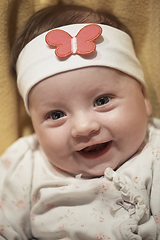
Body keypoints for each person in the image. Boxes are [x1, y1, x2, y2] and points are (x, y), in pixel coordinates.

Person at [0, 4, 160, 240]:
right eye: (56, 115)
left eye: (102, 100)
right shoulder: (24, 165)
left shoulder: (154, 152)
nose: (84, 127)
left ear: (144, 98)